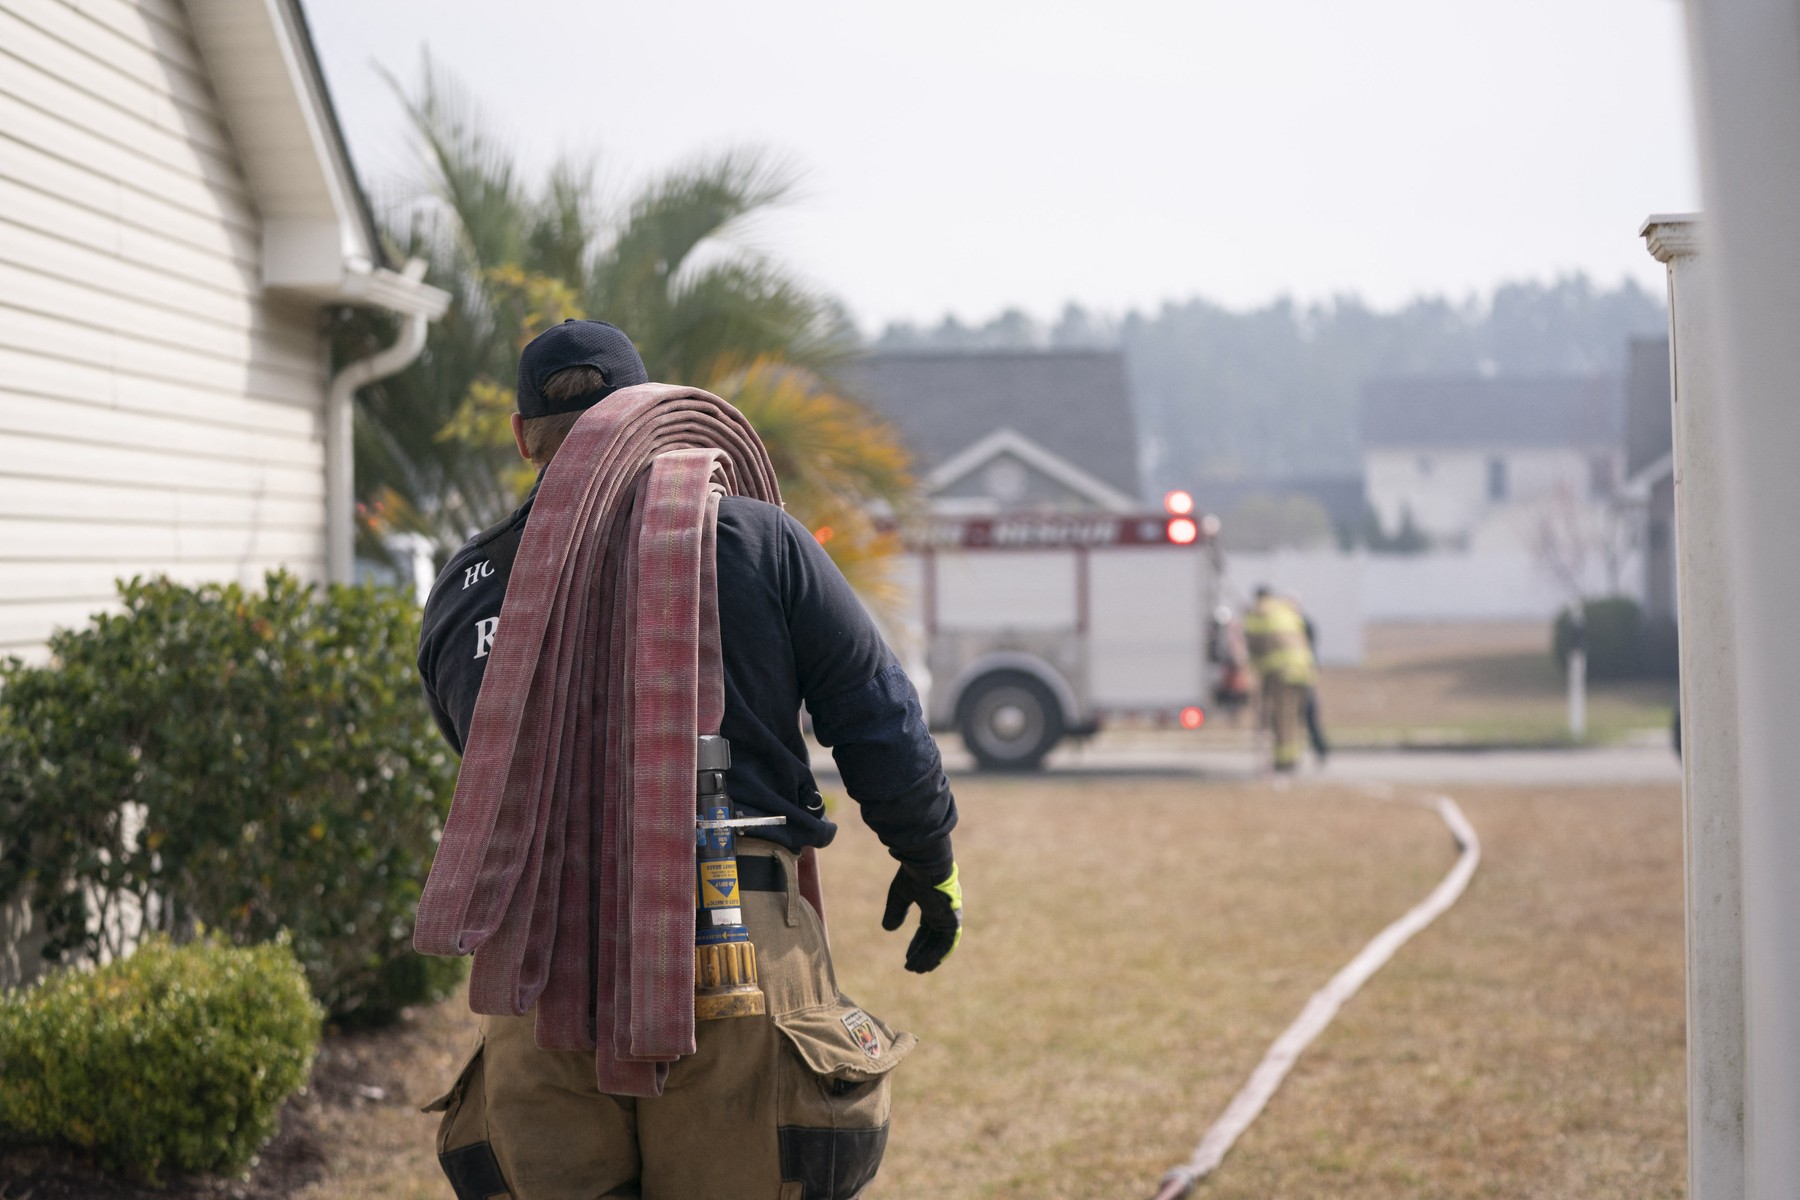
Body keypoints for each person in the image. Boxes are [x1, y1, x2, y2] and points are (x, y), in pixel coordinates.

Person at [416, 319, 962, 1200]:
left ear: (524, 439)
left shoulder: (466, 583)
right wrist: (929, 856)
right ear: (651, 415)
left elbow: (478, 753)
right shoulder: (759, 538)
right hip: (734, 939)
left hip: (536, 966)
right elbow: (877, 719)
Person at [1242, 585, 1317, 773]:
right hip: (1303, 669)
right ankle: (1291, 758)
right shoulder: (1283, 609)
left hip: (1282, 671)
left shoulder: (1257, 613)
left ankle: (1285, 762)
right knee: (1293, 716)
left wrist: (1256, 669)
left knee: (1281, 716)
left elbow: (1254, 646)